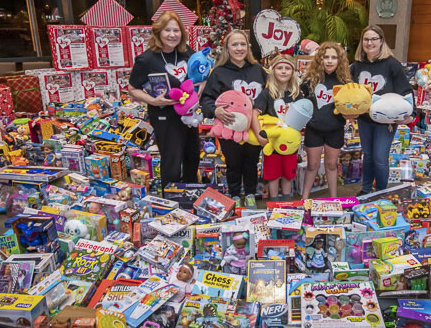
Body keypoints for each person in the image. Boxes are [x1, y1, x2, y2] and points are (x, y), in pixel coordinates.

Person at [128, 11, 200, 188]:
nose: (172, 35)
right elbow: (132, 89)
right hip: (164, 116)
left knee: (193, 156)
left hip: (188, 115)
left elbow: (200, 77)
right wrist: (153, 101)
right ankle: (171, 199)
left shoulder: (187, 54)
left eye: (176, 30)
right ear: (158, 32)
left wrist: (196, 96)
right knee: (172, 159)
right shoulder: (146, 59)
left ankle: (189, 194)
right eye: (167, 30)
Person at [201, 30, 267, 208]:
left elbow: (269, 94)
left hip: (253, 127)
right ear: (227, 49)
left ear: (248, 47)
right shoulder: (218, 73)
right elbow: (205, 99)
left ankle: (251, 192)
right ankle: (235, 193)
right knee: (233, 163)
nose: (239, 48)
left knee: (252, 162)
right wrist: (215, 111)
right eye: (235, 45)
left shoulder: (258, 70)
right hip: (229, 127)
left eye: (243, 44)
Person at [351, 25, 414, 195]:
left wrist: (411, 115)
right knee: (368, 155)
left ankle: (380, 192)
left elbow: (405, 89)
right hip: (364, 119)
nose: (369, 43)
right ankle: (365, 190)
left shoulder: (391, 64)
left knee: (379, 158)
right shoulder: (357, 66)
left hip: (386, 122)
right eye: (366, 39)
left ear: (381, 41)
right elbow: (349, 89)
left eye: (373, 39)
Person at [300, 41, 352, 200]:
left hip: (335, 129)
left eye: (334, 57)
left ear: (340, 60)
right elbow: (298, 101)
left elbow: (352, 106)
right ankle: (304, 198)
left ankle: (333, 199)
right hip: (313, 130)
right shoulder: (310, 81)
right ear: (319, 59)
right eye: (326, 57)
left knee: (331, 165)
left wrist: (351, 114)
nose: (329, 61)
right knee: (312, 166)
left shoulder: (345, 83)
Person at [252, 53, 304, 201]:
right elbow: (254, 113)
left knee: (288, 173)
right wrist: (259, 136)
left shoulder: (297, 95)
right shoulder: (267, 93)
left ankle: (287, 202)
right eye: (279, 68)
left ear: (293, 72)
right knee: (273, 175)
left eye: (287, 68)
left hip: (290, 143)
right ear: (273, 71)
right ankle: (274, 202)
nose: (283, 71)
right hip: (272, 143)